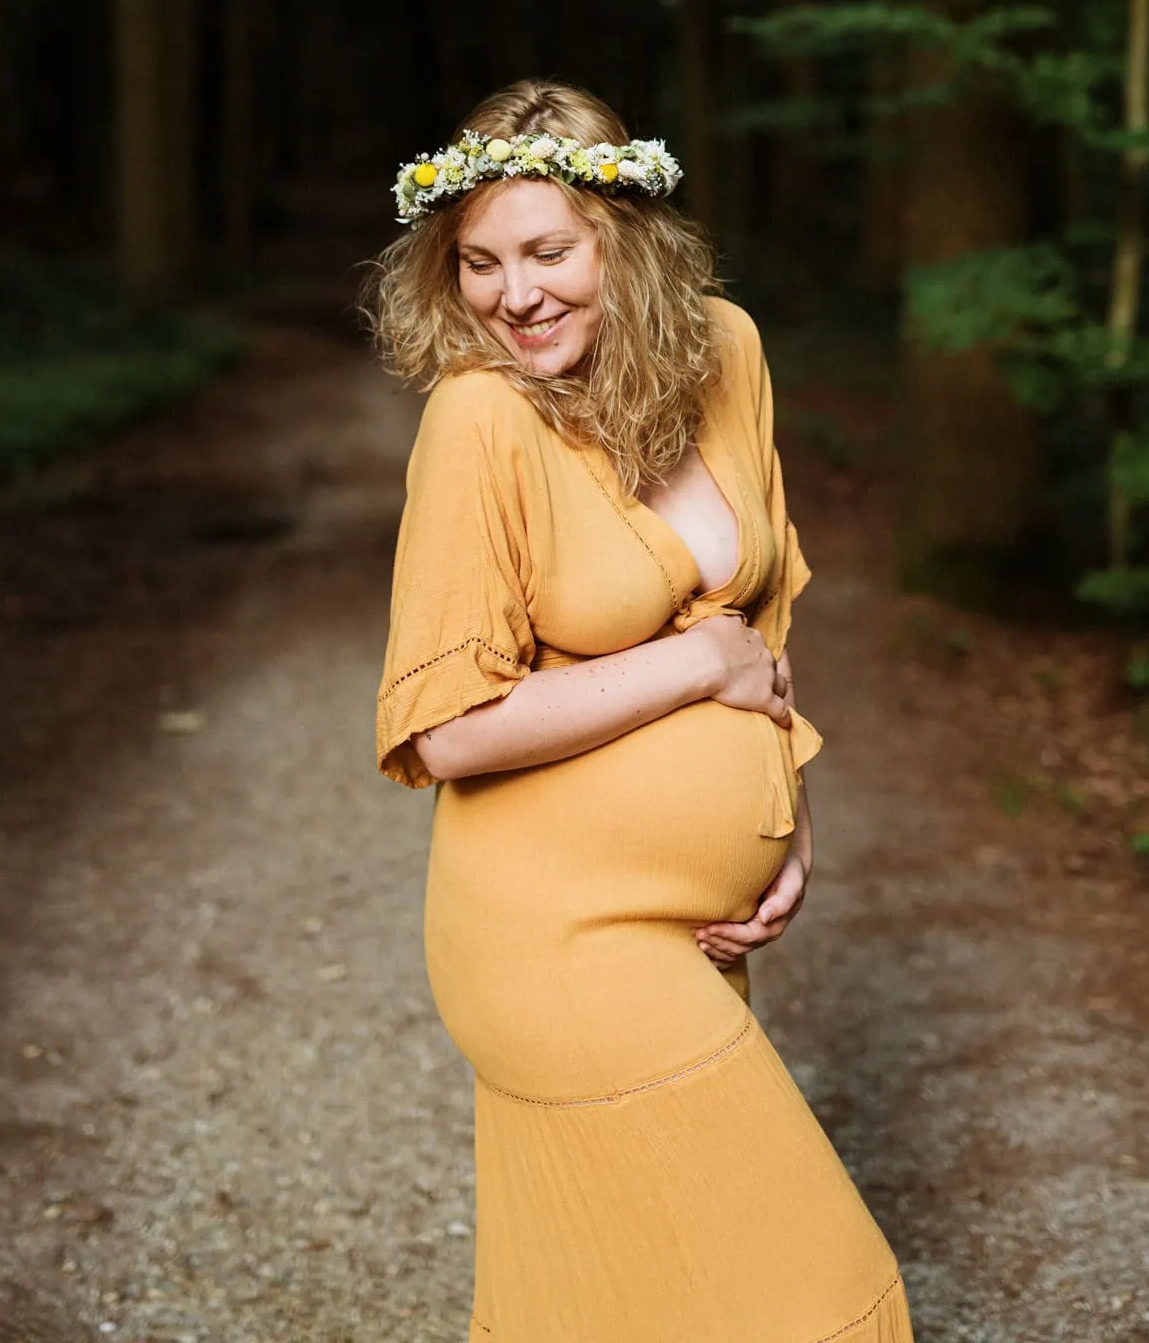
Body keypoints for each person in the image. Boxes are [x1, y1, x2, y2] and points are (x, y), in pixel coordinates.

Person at [365, 80, 913, 1343]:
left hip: (700, 929)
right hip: (553, 937)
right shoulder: (479, 416)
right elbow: (444, 728)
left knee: (630, 1298)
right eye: (481, 264)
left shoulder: (728, 349)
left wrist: (793, 817)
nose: (517, 296)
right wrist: (690, 667)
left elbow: (764, 626)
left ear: (630, 239)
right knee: (823, 1298)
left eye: (551, 251)